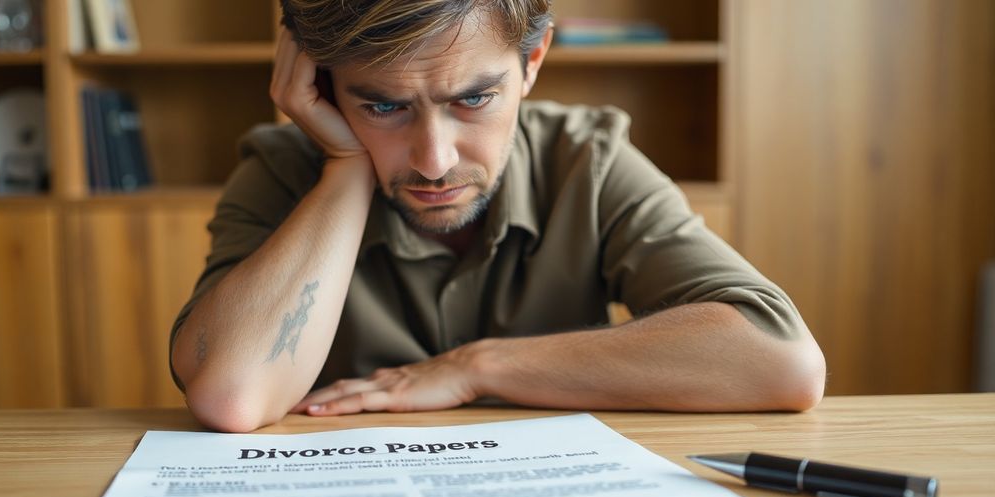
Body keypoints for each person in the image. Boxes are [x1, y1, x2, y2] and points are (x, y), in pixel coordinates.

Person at [170, 0, 826, 433]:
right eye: (382, 107)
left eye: (475, 98)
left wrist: (474, 367)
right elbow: (232, 395)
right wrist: (345, 167)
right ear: (320, 88)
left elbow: (781, 361)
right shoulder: (284, 167)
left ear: (531, 63)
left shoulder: (586, 161)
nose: (434, 161)